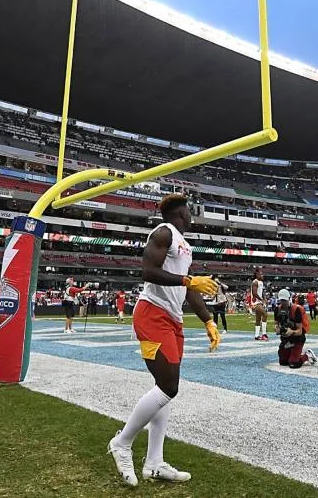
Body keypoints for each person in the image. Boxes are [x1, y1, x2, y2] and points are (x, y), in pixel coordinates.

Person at [107, 194, 220, 486]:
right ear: (181, 212)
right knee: (169, 386)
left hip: (172, 320)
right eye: (190, 211)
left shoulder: (185, 246)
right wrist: (187, 281)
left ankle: (154, 462)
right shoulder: (164, 232)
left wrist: (207, 319)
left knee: (165, 389)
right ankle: (122, 442)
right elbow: (148, 271)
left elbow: (190, 289)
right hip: (152, 315)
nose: (193, 215)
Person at [275, 296, 317, 368]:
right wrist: (278, 330)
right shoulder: (278, 309)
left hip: (297, 339)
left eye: (284, 300)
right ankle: (292, 354)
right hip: (286, 340)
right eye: (281, 300)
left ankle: (307, 356)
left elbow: (300, 331)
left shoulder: (296, 309)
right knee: (283, 362)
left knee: (293, 364)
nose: (283, 302)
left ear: (288, 299)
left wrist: (292, 332)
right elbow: (276, 325)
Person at [250, 269, 269, 341]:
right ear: (257, 275)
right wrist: (262, 299)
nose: (262, 275)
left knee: (258, 319)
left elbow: (261, 292)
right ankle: (264, 334)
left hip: (259, 302)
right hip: (255, 302)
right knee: (265, 314)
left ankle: (257, 335)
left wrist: (264, 298)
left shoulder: (260, 282)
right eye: (261, 274)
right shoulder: (255, 282)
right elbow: (254, 293)